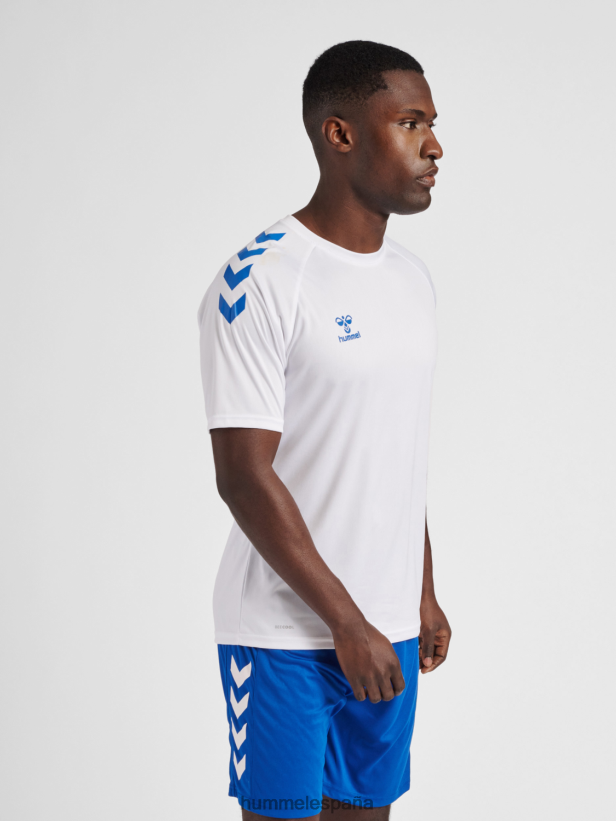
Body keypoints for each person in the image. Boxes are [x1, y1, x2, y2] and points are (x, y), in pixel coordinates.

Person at [197, 39, 451, 821]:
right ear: (339, 134)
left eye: (432, 124)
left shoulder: (412, 281)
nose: (435, 147)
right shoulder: (260, 280)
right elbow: (243, 475)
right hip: (285, 634)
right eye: (410, 123)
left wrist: (420, 592)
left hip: (387, 627)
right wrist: (345, 620)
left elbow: (392, 450)